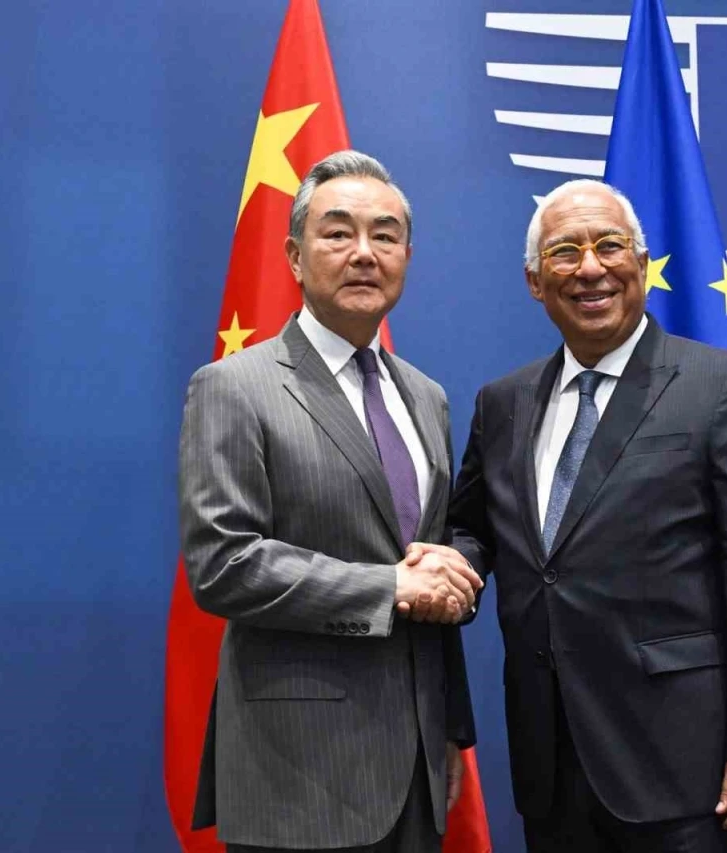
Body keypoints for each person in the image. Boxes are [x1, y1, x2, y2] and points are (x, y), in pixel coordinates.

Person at [448, 179, 727, 852]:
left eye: (610, 246)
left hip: (686, 768)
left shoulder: (721, 387)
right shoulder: (503, 403)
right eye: (565, 251)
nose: (590, 268)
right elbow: (473, 529)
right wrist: (449, 568)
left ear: (640, 263)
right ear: (534, 281)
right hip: (551, 763)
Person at [178, 150, 482, 852]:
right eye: (338, 232)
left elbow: (427, 565)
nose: (364, 253)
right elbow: (223, 564)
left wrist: (448, 727)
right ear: (294, 255)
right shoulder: (234, 387)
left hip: (415, 774)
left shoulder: (426, 396)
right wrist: (389, 587)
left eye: (385, 235)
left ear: (407, 257)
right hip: (298, 775)